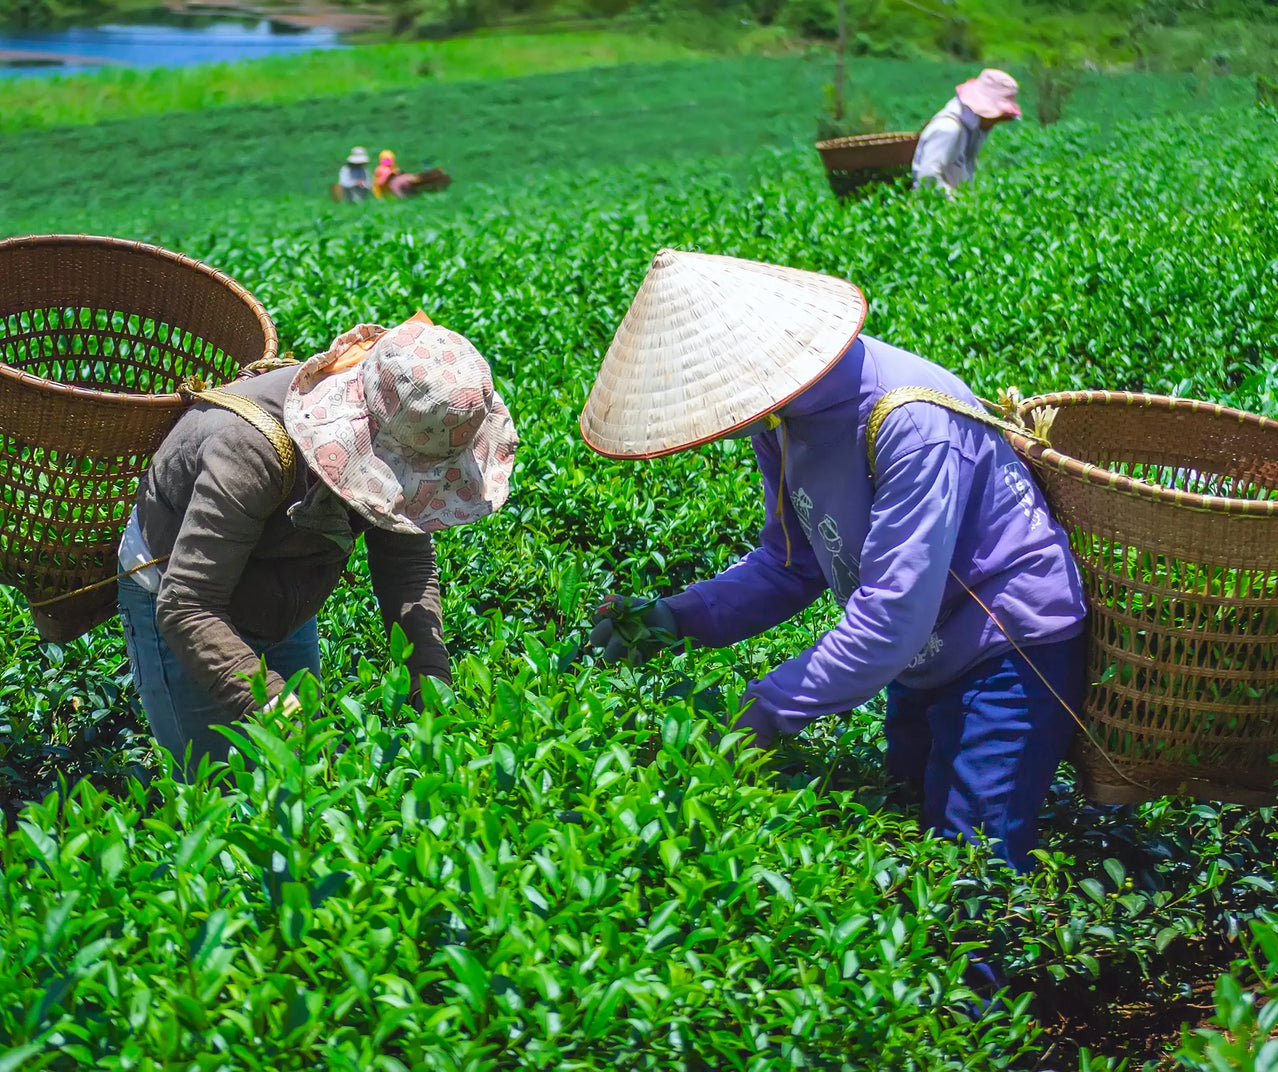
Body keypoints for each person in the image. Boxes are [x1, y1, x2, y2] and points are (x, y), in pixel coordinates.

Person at [581, 250, 1088, 872]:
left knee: (970, 861)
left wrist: (766, 710)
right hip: (919, 654)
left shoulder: (909, 421)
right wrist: (673, 617)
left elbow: (889, 617)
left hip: (1005, 646)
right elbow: (789, 565)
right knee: (903, 819)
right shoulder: (780, 419)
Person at [116, 314, 518, 776]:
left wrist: (431, 688)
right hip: (180, 593)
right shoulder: (248, 451)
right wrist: (280, 711)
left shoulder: (411, 419)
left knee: (302, 775)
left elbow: (406, 567)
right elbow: (188, 606)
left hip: (286, 590)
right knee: (224, 786)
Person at [911, 69, 1021, 197]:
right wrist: (958, 202)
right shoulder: (948, 128)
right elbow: (928, 178)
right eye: (998, 117)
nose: (996, 122)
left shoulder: (972, 129)